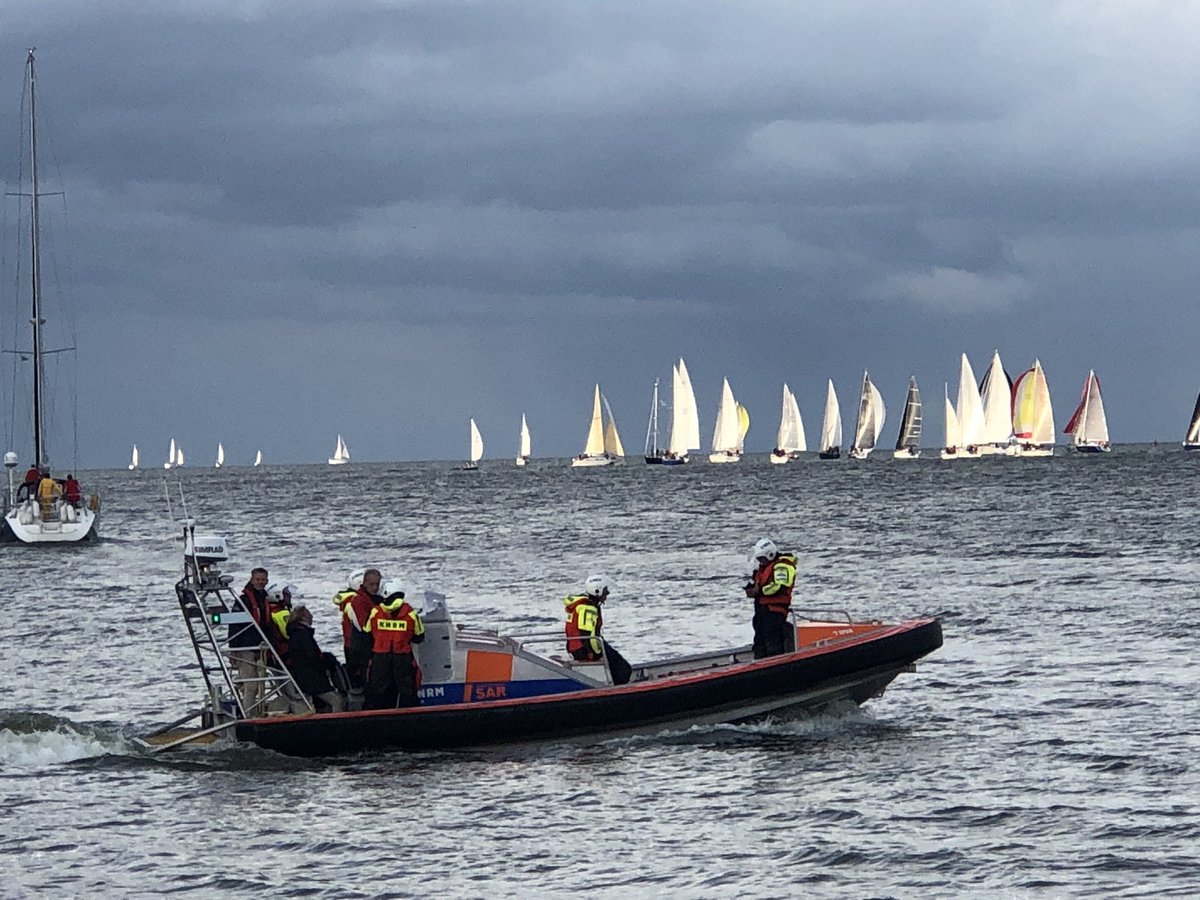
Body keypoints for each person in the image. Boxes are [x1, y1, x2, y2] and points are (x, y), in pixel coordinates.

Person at [364, 578, 425, 709]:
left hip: (380, 658)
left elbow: (367, 631)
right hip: (402, 658)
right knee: (407, 691)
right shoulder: (410, 613)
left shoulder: (376, 611)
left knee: (378, 692)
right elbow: (419, 636)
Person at [563, 574, 632, 686]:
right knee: (624, 670)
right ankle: (618, 688)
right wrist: (593, 653)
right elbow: (585, 634)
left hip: (581, 646)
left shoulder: (587, 605)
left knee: (617, 663)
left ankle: (616, 683)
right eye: (605, 590)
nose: (607, 593)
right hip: (583, 648)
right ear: (597, 591)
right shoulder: (588, 608)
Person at [285, 606, 346, 713]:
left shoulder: (295, 634)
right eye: (309, 614)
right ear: (303, 618)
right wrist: (326, 664)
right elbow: (312, 657)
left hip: (305, 675)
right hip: (310, 677)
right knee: (337, 700)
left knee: (325, 702)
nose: (312, 617)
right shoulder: (303, 635)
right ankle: (337, 723)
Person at [744, 538, 798, 659]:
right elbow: (757, 583)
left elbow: (778, 586)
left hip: (774, 611)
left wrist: (759, 591)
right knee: (759, 641)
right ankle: (759, 661)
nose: (760, 562)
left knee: (773, 642)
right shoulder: (762, 569)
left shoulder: (783, 566)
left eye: (762, 559)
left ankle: (775, 661)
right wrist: (751, 588)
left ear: (770, 554)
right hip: (762, 611)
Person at [231, 567, 271, 714]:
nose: (261, 582)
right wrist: (233, 650)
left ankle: (256, 711)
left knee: (261, 683)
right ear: (251, 580)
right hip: (244, 648)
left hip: (261, 648)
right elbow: (234, 626)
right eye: (258, 579)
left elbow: (267, 625)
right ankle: (247, 715)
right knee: (251, 685)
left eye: (263, 580)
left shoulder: (265, 599)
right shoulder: (243, 600)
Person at [344, 569, 382, 695]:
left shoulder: (377, 599)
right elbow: (364, 626)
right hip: (362, 649)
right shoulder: (358, 601)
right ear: (364, 583)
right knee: (368, 683)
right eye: (372, 584)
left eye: (377, 584)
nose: (375, 587)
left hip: (373, 648)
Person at [332, 570, 366, 688]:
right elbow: (362, 627)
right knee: (361, 677)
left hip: (351, 645)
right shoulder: (353, 603)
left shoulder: (350, 601)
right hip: (356, 647)